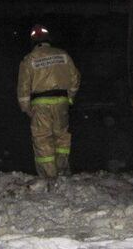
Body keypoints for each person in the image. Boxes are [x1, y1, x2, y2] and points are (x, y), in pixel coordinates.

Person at [17, 24, 81, 187]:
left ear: (32, 40)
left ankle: (49, 177)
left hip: (40, 104)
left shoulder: (29, 59)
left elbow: (23, 86)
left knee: (42, 139)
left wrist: (25, 107)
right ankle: (63, 171)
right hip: (61, 103)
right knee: (61, 136)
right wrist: (70, 98)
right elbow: (75, 79)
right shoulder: (63, 55)